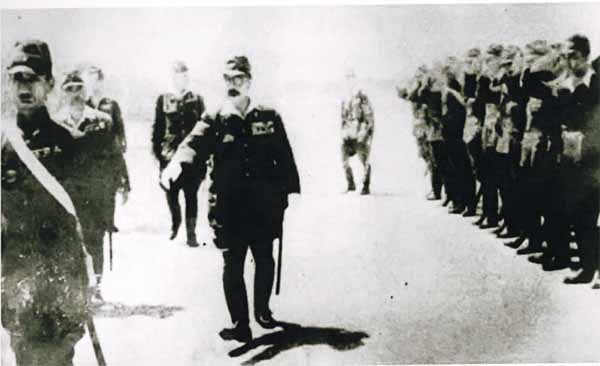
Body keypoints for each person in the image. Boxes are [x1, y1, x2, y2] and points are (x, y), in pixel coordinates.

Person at [160, 55, 300, 342]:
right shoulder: (216, 117)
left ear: (249, 81)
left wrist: (286, 193)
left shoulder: (268, 116)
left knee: (264, 259)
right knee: (232, 264)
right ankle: (240, 324)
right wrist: (176, 163)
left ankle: (262, 311)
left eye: (238, 79)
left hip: (263, 206)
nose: (233, 85)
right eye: (228, 80)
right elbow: (193, 144)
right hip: (229, 207)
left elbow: (284, 156)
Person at [1, 39, 89, 366]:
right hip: (18, 274)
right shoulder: (4, 144)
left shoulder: (69, 142)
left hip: (61, 274)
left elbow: (85, 215)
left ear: (50, 83)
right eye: (16, 78)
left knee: (60, 356)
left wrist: (82, 282)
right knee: (24, 356)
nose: (24, 86)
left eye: (33, 78)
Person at [56, 70, 115, 303]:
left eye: (78, 88)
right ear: (63, 93)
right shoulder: (55, 123)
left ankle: (96, 287)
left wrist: (114, 189)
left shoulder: (102, 121)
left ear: (85, 90)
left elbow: (112, 158)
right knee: (69, 240)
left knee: (95, 240)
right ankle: (73, 290)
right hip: (67, 194)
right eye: (69, 89)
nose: (74, 94)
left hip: (95, 193)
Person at [152, 60, 206, 247]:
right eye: (178, 76)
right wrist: (158, 154)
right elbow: (158, 128)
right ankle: (176, 224)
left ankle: (191, 234)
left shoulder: (196, 99)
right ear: (172, 79)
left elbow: (203, 127)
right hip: (170, 154)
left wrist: (204, 156)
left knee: (191, 195)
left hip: (192, 156)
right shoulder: (164, 98)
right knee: (171, 193)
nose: (182, 80)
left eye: (185, 76)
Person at [82, 65, 130, 234]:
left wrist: (121, 143)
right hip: (88, 153)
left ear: (101, 82)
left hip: (108, 152)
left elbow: (119, 126)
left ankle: (109, 221)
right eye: (89, 80)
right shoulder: (83, 103)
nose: (93, 84)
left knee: (109, 187)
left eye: (96, 80)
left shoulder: (111, 104)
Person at [341, 69, 375, 194]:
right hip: (347, 132)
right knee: (344, 159)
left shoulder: (361, 96)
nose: (348, 80)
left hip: (360, 131)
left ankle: (366, 186)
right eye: (347, 78)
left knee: (364, 159)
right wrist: (342, 131)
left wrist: (367, 131)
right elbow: (343, 117)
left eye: (351, 78)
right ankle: (350, 184)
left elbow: (369, 115)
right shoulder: (345, 97)